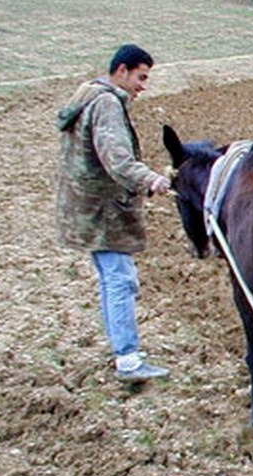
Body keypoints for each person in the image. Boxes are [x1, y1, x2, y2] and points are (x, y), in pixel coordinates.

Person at [55, 44, 172, 383]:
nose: (143, 85)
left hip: (89, 206)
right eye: (141, 77)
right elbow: (118, 161)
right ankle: (129, 360)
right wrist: (152, 179)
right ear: (122, 70)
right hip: (103, 211)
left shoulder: (89, 95)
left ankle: (125, 351)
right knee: (120, 280)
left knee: (114, 279)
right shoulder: (106, 104)